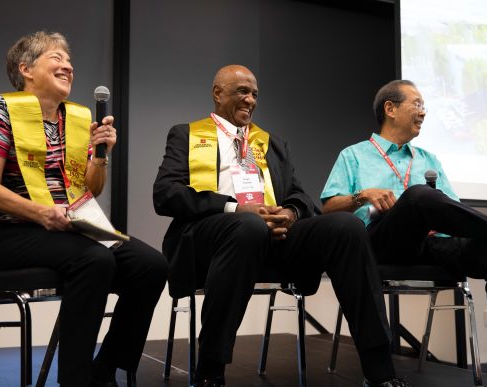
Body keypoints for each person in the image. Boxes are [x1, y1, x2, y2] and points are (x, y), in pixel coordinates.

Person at [153, 64, 410, 387]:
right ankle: (211, 368)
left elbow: (300, 195)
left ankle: (379, 370)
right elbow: (165, 194)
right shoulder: (186, 134)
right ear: (218, 94)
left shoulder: (270, 142)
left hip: (273, 236)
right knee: (248, 226)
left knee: (345, 227)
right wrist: (235, 208)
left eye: (255, 94)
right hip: (213, 237)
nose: (250, 100)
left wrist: (288, 212)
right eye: (241, 92)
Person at [0, 31, 168, 387]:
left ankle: (105, 368)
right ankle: (75, 380)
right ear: (26, 69)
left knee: (150, 265)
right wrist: (40, 212)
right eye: (56, 57)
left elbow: (89, 192)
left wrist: (99, 156)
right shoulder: (2, 108)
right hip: (11, 231)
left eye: (68, 59)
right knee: (94, 260)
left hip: (70, 228)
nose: (68, 65)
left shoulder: (75, 118)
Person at [321, 79, 487, 387]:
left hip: (432, 244)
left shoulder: (427, 158)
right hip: (379, 243)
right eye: (417, 104)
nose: (424, 112)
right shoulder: (353, 155)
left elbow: (453, 212)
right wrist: (362, 195)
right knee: (419, 196)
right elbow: (328, 207)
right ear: (390, 108)